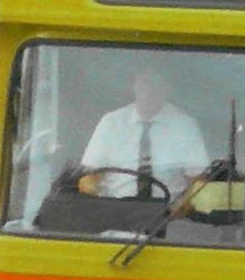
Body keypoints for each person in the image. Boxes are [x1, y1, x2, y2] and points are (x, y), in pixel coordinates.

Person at [78, 69, 208, 198]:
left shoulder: (184, 125)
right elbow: (91, 176)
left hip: (168, 213)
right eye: (144, 82)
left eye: (156, 82)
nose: (149, 88)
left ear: (167, 88)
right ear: (133, 86)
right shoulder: (111, 122)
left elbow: (197, 180)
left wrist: (179, 210)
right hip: (115, 210)